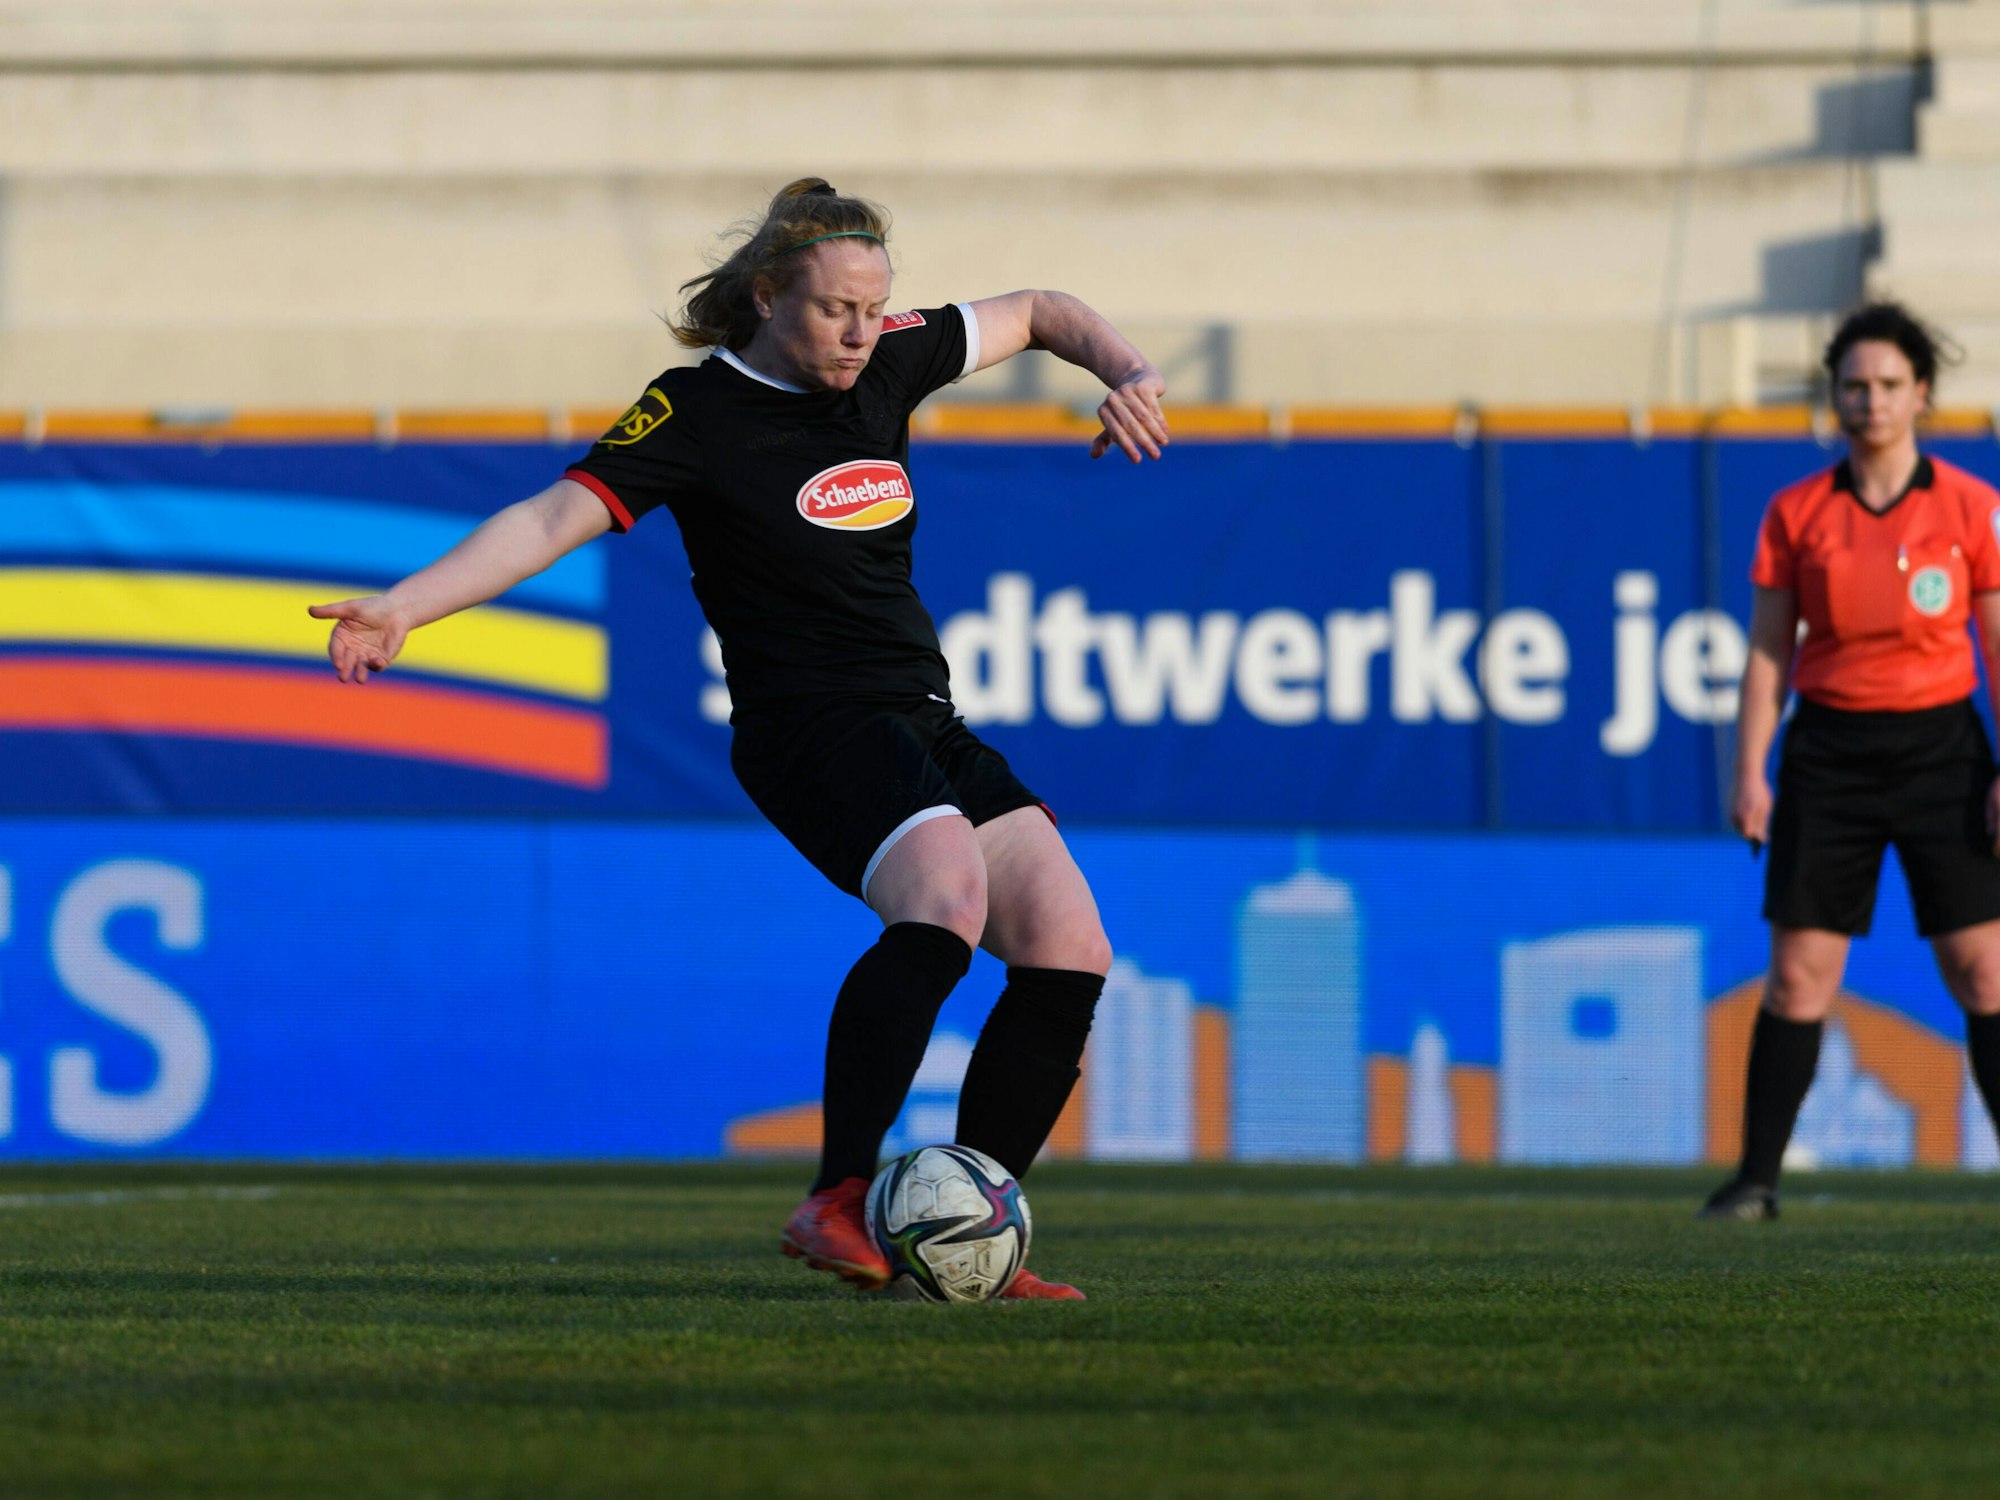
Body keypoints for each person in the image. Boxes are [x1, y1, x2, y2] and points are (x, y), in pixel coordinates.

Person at [309, 178, 1169, 1295]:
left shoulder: (892, 356)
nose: (862, 333)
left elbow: (1044, 308)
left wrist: (1132, 374)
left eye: (876, 308)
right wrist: (407, 606)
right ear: (767, 295)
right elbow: (550, 516)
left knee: (1069, 947)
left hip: (919, 714)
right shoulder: (697, 411)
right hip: (805, 725)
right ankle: (837, 1198)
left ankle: (967, 1236)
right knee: (945, 899)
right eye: (834, 311)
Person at [1702, 302, 2000, 1220]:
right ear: (1832, 399)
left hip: (1943, 751)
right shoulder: (1797, 513)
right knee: (1797, 976)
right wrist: (1751, 770)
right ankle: (1755, 1180)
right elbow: (1766, 654)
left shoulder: (1970, 507)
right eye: (1853, 387)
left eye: (1889, 386)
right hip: (1829, 753)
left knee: (1983, 969)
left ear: (1922, 395)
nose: (1871, 402)